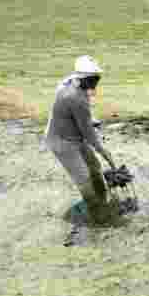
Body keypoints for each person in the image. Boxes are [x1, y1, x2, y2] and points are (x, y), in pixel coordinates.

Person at [45, 56, 119, 225]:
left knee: (95, 167)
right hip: (62, 142)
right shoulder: (74, 97)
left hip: (74, 134)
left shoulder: (70, 83)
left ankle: (103, 200)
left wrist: (89, 120)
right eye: (93, 79)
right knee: (84, 178)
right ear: (83, 78)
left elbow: (83, 119)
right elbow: (89, 134)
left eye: (97, 79)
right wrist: (104, 152)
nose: (96, 83)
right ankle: (97, 215)